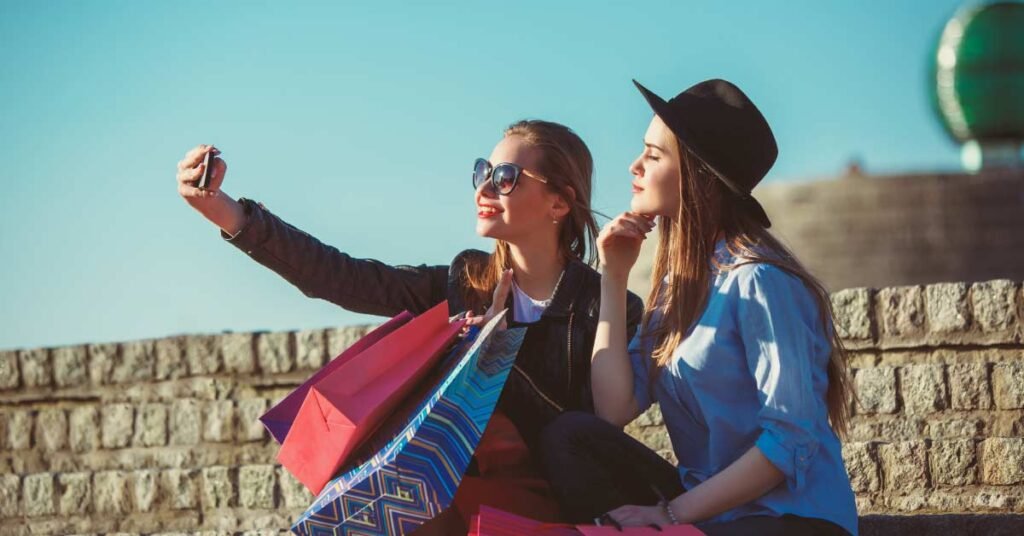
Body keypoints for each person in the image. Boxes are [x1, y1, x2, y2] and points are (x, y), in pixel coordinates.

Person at [174, 119, 645, 530]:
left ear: (559, 204)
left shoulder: (607, 304)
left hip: (555, 511)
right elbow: (347, 278)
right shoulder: (466, 282)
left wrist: (489, 346)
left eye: (505, 178)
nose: (482, 189)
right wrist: (226, 212)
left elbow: (591, 431)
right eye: (482, 172)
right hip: (458, 504)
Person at [540, 80, 858, 535]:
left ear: (695, 173)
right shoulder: (680, 289)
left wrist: (671, 515)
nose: (635, 165)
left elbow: (789, 440)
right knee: (570, 436)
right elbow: (613, 408)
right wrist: (613, 277)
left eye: (653, 155)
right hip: (708, 515)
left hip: (788, 519)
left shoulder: (760, 280)